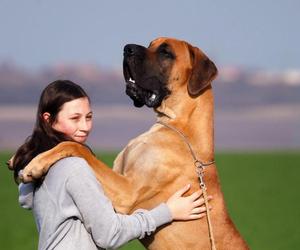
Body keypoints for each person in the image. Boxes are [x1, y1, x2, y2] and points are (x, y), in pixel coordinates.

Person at [12, 80, 211, 250]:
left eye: (88, 117)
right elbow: (110, 233)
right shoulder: (73, 167)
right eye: (75, 118)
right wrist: (168, 212)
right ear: (49, 120)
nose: (85, 127)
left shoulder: (43, 169)